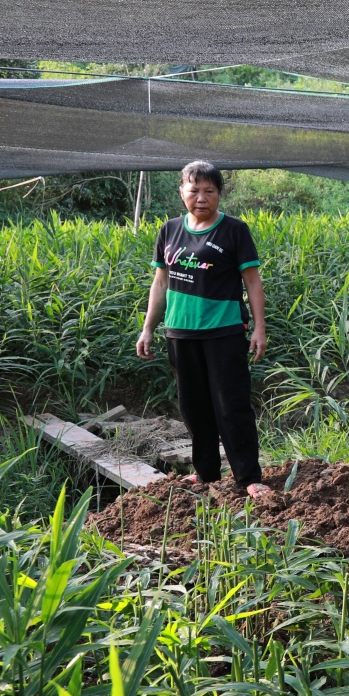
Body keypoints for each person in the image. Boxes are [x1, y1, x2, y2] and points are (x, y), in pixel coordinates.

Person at [135, 162, 274, 498]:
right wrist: (148, 328)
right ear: (181, 191)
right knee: (193, 407)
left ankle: (248, 477)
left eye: (209, 191)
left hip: (223, 331)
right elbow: (160, 282)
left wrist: (259, 328)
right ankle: (206, 472)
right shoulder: (169, 230)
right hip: (180, 333)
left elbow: (252, 282)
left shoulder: (234, 231)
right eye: (194, 189)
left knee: (231, 404)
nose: (201, 197)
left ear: (219, 194)